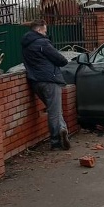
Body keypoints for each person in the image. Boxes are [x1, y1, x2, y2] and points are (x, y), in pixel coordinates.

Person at [21, 19, 71, 150]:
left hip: (35, 82)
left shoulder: (25, 44)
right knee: (54, 111)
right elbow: (61, 60)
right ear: (38, 30)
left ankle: (62, 130)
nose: (45, 33)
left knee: (54, 108)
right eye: (44, 30)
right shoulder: (42, 43)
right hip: (50, 80)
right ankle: (56, 141)